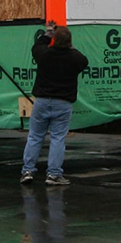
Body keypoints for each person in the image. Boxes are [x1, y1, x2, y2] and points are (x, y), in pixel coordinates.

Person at [21, 21, 89, 185]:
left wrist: (48, 33)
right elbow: (83, 60)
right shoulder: (74, 58)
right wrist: (69, 45)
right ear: (70, 42)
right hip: (63, 103)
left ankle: (27, 171)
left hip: (42, 101)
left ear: (54, 40)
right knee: (58, 138)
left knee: (35, 137)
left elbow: (36, 46)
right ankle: (53, 174)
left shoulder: (44, 54)